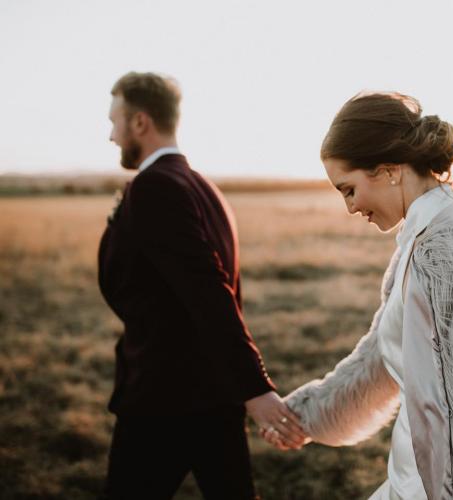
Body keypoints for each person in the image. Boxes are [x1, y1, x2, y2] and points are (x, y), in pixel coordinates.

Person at [275, 92, 453, 499]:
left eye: (349, 189)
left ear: (388, 171)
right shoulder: (419, 244)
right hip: (411, 483)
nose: (350, 208)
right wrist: (305, 415)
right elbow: (380, 358)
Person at [98, 71, 306, 499]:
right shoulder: (203, 186)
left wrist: (256, 389)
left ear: (140, 122)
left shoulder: (156, 186)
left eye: (114, 121)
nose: (111, 135)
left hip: (161, 400)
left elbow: (209, 292)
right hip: (215, 397)